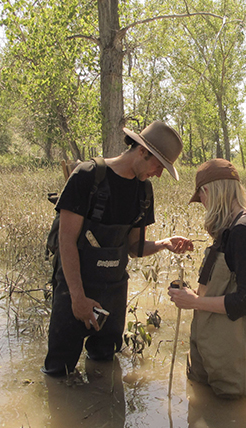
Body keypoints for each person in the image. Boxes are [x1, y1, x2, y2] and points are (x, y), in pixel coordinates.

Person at [42, 121, 194, 377]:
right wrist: (78, 299)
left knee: (105, 364)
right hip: (74, 289)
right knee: (58, 371)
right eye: (159, 166)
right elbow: (65, 242)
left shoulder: (143, 191)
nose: (158, 174)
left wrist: (164, 244)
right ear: (142, 151)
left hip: (113, 292)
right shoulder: (87, 176)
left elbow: (134, 248)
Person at [168, 158, 246, 398]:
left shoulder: (245, 230)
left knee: (235, 413)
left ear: (208, 191)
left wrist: (194, 302)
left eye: (201, 197)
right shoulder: (228, 228)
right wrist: (191, 295)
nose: (202, 204)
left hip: (234, 358)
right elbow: (224, 287)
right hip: (211, 350)